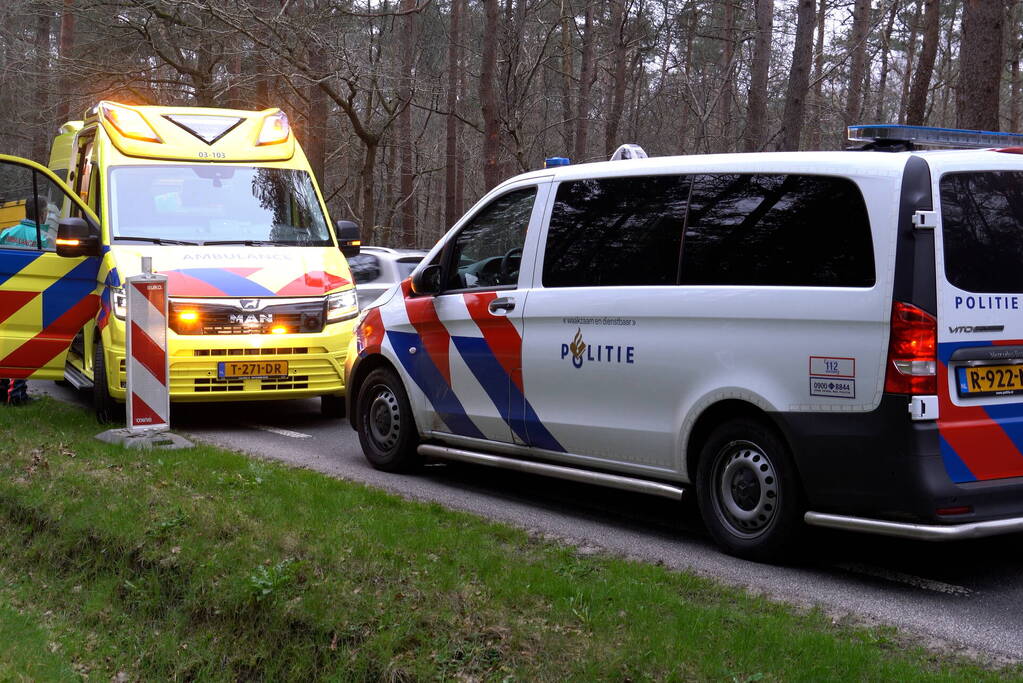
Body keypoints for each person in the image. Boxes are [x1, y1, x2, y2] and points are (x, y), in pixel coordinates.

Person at [0, 195, 47, 406]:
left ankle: (4, 391)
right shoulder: (44, 239)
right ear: (42, 214)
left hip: (6, 294)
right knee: (23, 347)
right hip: (31, 299)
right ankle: (17, 393)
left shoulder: (7, 233)